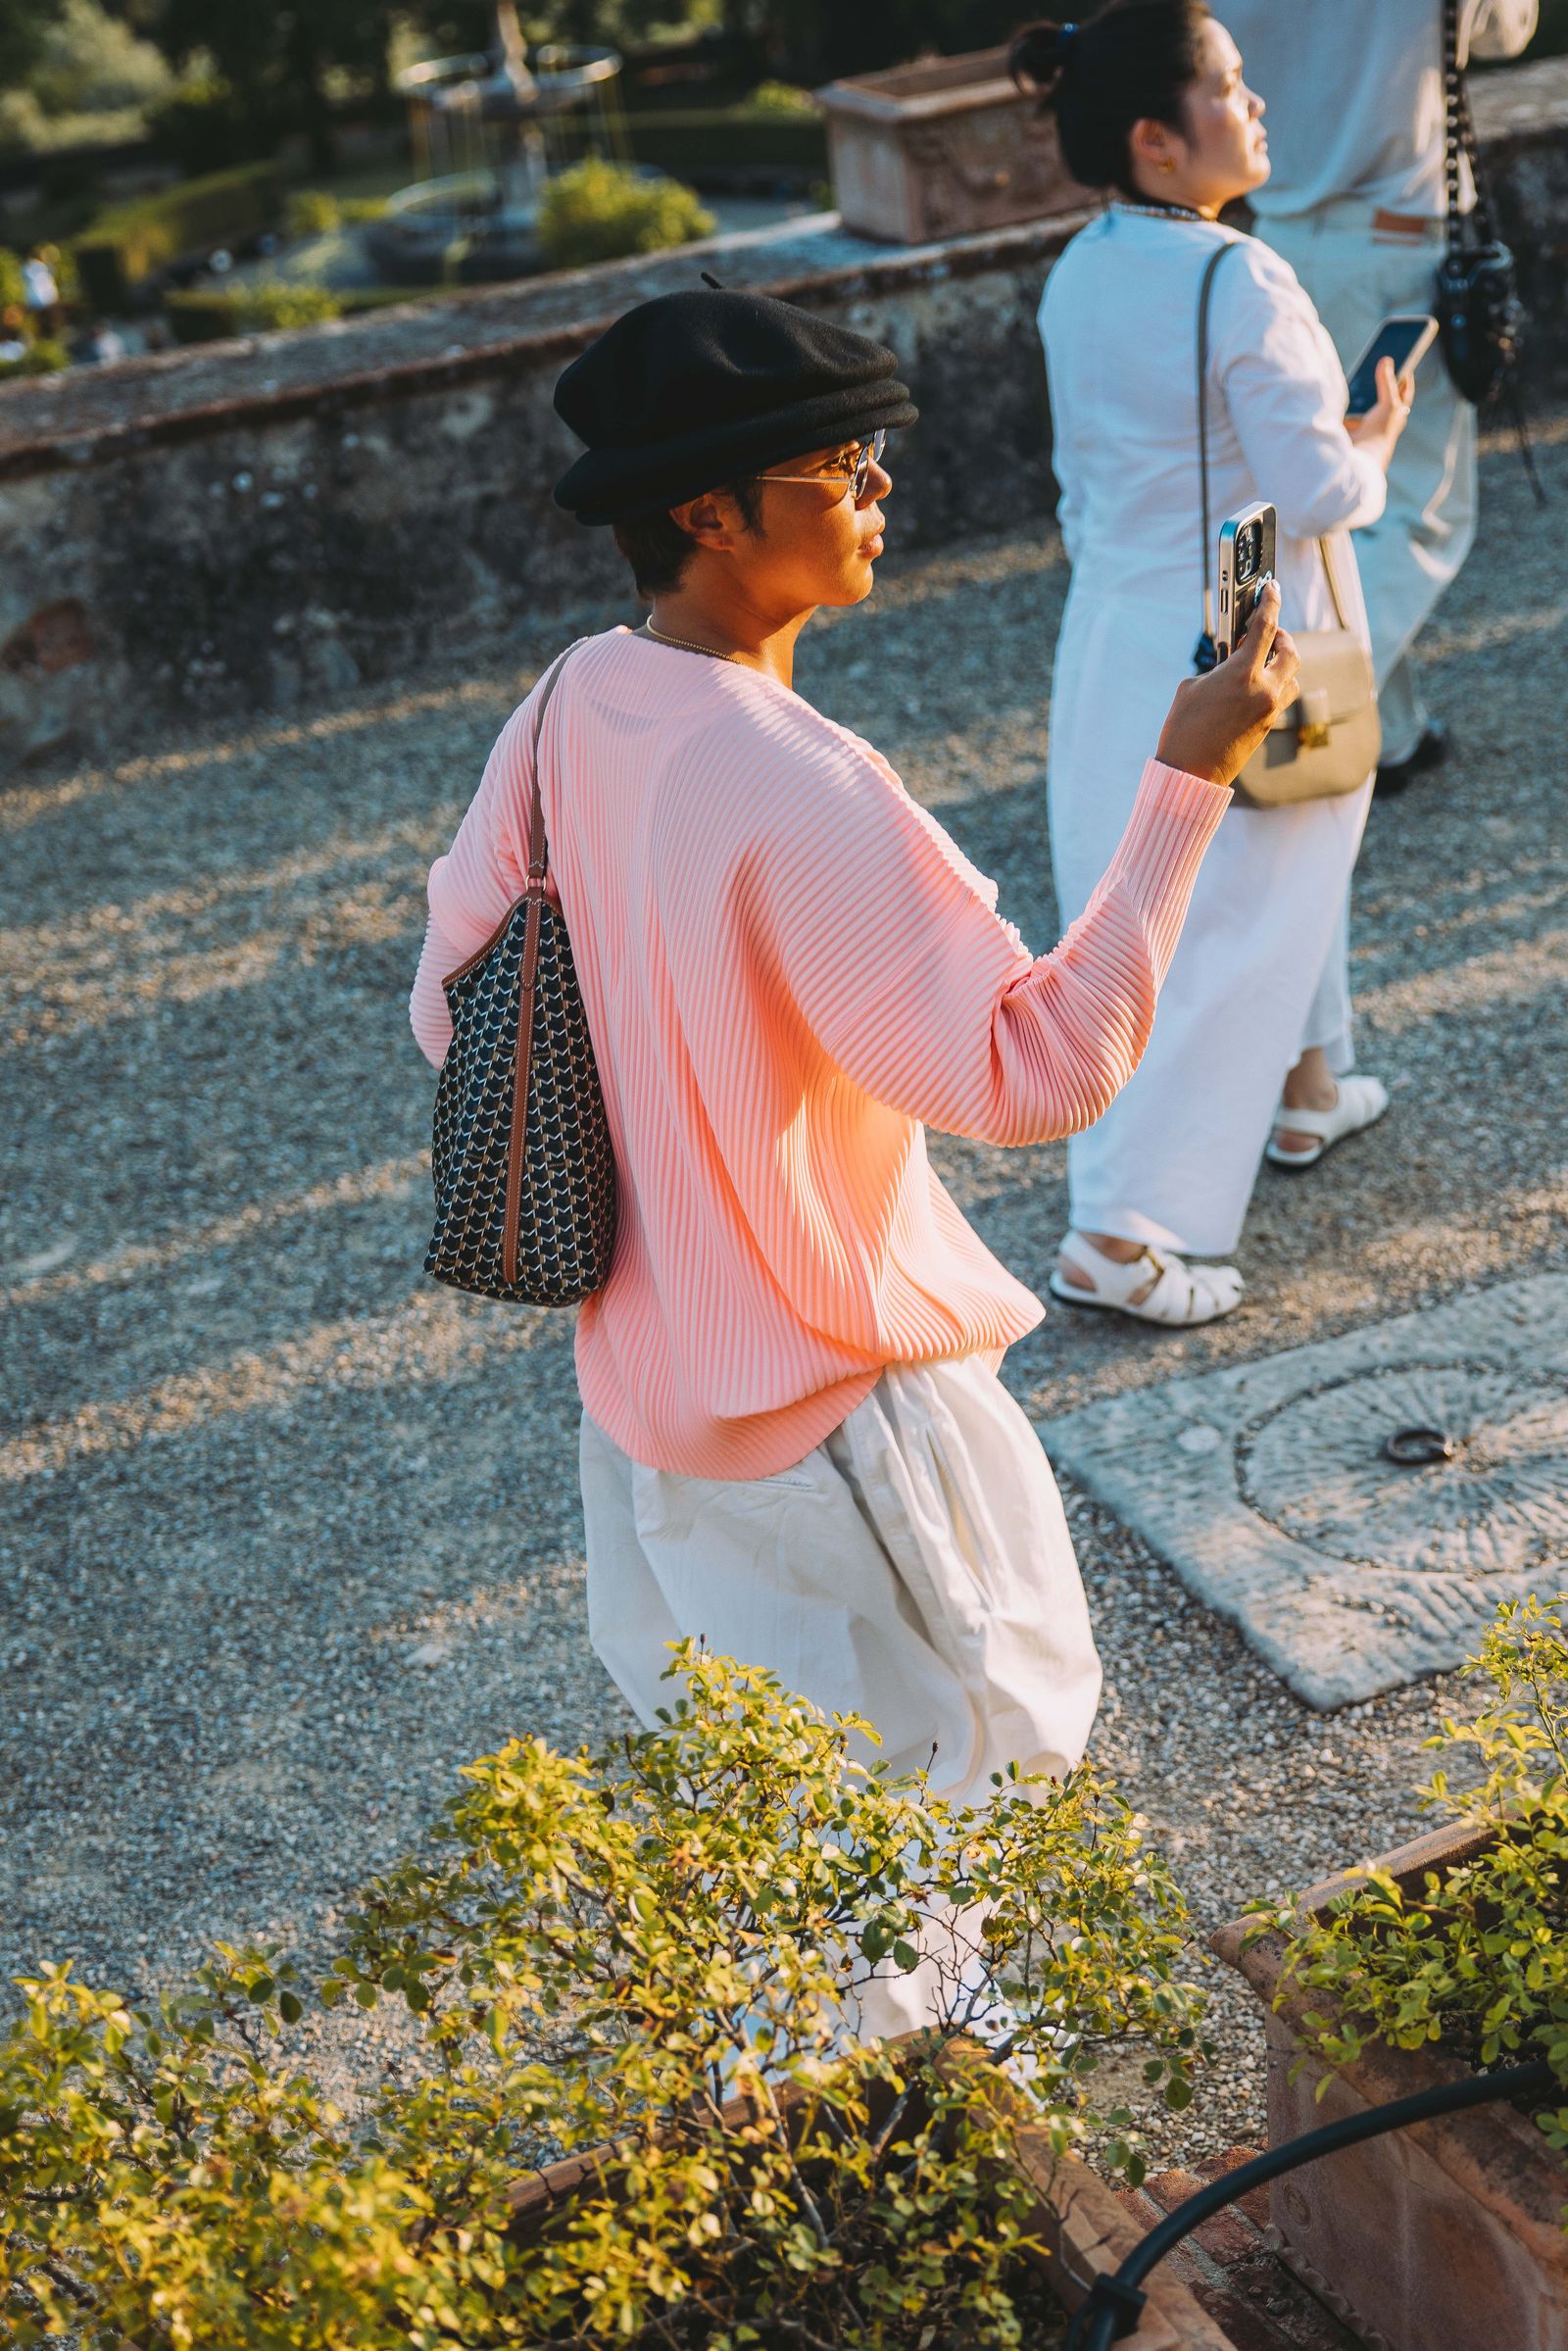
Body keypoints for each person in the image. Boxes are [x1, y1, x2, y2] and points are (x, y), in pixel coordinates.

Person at [410, 286, 1298, 2028]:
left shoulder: (572, 704)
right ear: (711, 510)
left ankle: (853, 2155)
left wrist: (679, 1097)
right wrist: (1184, 781)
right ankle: (979, 2158)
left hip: (654, 1405)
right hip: (842, 1405)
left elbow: (451, 1004)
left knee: (801, 1871)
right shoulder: (801, 780)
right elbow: (1039, 1068)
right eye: (842, 464)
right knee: (959, 1836)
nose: (883, 487)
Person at [1015, 1, 1414, 1326]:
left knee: (1166, 905)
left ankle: (1306, 1084)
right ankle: (1117, 1236)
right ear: (1157, 137)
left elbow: (1094, 479)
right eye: (1230, 88)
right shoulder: (1239, 276)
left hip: (1118, 631)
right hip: (1231, 638)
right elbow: (1318, 490)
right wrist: (1374, 437)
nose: (1255, 106)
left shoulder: (1080, 268)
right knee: (1224, 918)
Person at [1217, 1, 1538, 795]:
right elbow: (1506, 28)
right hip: (1394, 247)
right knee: (1421, 515)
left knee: (1335, 502)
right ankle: (1287, 713)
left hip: (1278, 240)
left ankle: (1388, 737)